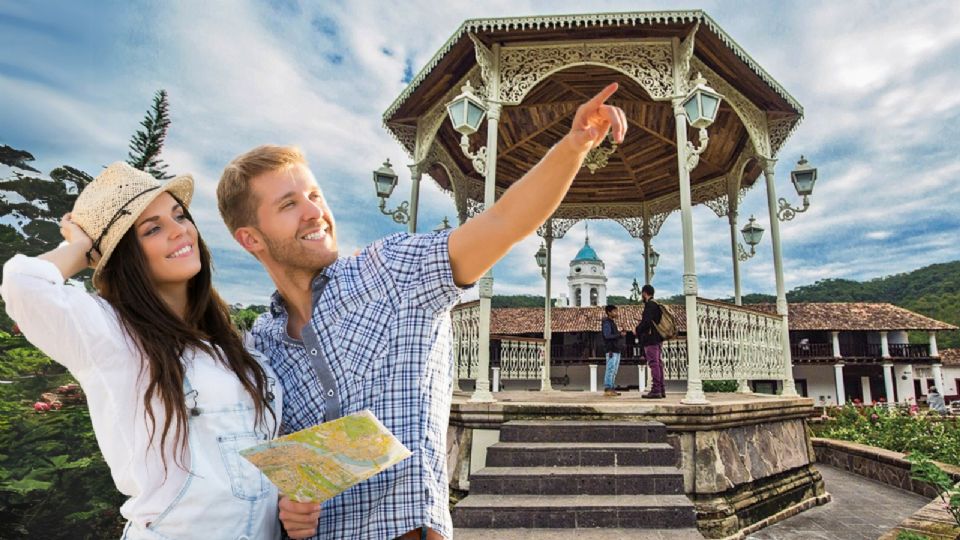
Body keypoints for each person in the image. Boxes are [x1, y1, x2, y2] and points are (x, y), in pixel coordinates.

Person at [216, 83, 626, 540]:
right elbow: (276, 473)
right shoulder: (261, 348)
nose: (315, 213)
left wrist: (574, 146)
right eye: (289, 204)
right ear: (250, 239)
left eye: (314, 195)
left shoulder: (393, 270)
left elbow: (502, 223)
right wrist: (289, 506)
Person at [1, 162, 282, 539]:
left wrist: (288, 507)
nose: (179, 230)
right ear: (123, 254)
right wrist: (83, 246)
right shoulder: (112, 334)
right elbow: (23, 285)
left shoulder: (233, 344)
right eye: (152, 229)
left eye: (179, 216)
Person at [635, 284, 665, 399]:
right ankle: (661, 389)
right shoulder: (657, 305)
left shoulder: (650, 305)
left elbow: (646, 322)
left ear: (644, 293)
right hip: (658, 338)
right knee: (658, 363)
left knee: (654, 364)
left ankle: (656, 389)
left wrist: (637, 329)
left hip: (651, 339)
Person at [601, 305, 626, 396]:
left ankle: (611, 388)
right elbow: (607, 336)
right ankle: (608, 388)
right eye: (614, 311)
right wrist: (619, 334)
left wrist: (620, 334)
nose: (616, 313)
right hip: (611, 350)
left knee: (614, 370)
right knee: (610, 369)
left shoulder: (612, 322)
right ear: (609, 312)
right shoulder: (606, 322)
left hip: (616, 350)